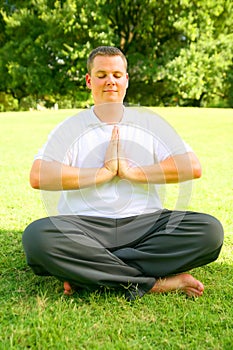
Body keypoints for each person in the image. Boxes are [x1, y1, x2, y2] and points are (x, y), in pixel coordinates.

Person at [22, 46, 224, 300]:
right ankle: (155, 283)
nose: (110, 81)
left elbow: (191, 166)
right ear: (89, 80)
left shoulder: (148, 123)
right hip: (86, 227)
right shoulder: (70, 127)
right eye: (102, 74)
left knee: (209, 231)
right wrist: (103, 173)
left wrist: (130, 172)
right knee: (37, 239)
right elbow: (38, 176)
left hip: (146, 225)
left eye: (117, 75)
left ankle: (88, 271)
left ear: (126, 80)